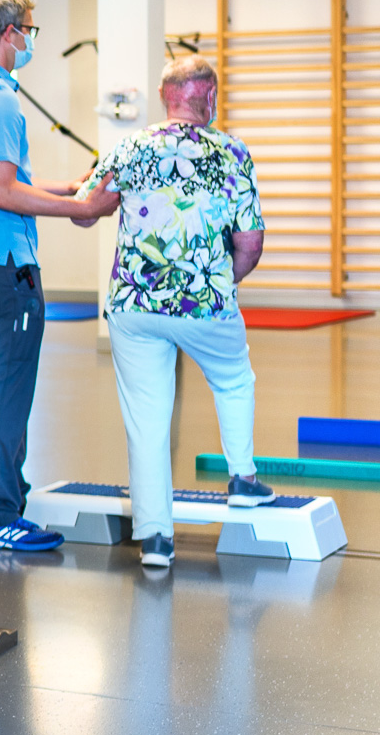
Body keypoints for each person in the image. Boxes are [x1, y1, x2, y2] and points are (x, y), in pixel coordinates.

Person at [78, 55, 275, 569]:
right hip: (204, 301)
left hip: (133, 303)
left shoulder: (129, 146)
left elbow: (85, 211)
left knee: (146, 416)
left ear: (167, 96)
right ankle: (243, 480)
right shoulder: (230, 151)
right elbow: (250, 243)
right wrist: (216, 282)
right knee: (233, 379)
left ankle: (157, 542)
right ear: (207, 97)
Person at [0, 0, 120, 553]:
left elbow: (5, 176)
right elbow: (2, 191)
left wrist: (69, 185)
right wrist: (81, 208)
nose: (30, 38)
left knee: (7, 379)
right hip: (2, 262)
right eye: (28, 27)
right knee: (8, 384)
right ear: (8, 33)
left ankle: (6, 496)